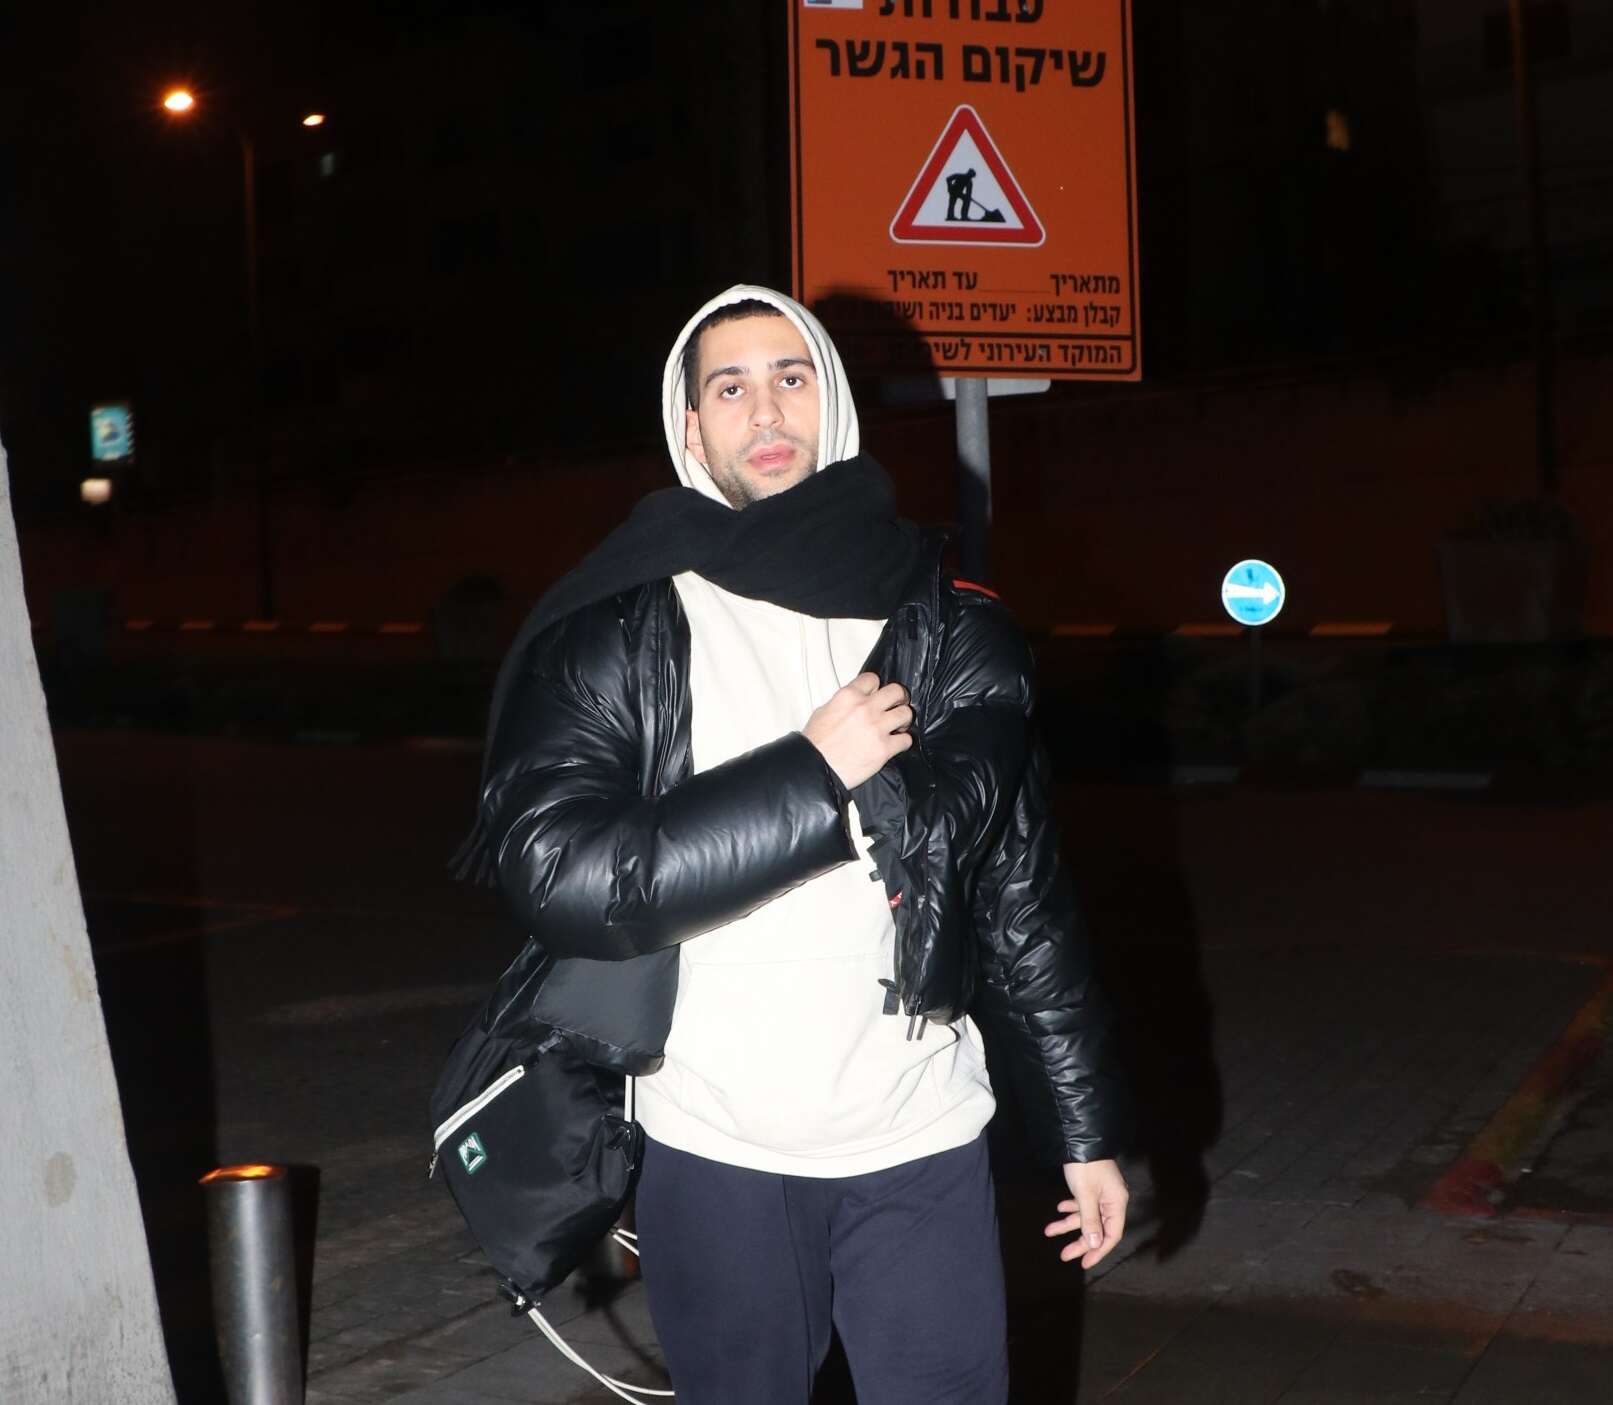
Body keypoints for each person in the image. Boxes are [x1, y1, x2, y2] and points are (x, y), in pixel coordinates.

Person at [467, 285, 1128, 1404]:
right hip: (713, 1142)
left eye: (791, 376)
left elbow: (1019, 891)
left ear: (835, 404)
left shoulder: (948, 617)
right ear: (689, 428)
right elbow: (558, 871)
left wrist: (1084, 1130)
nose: (764, 409)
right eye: (728, 387)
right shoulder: (622, 620)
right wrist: (813, 778)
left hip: (919, 1131)